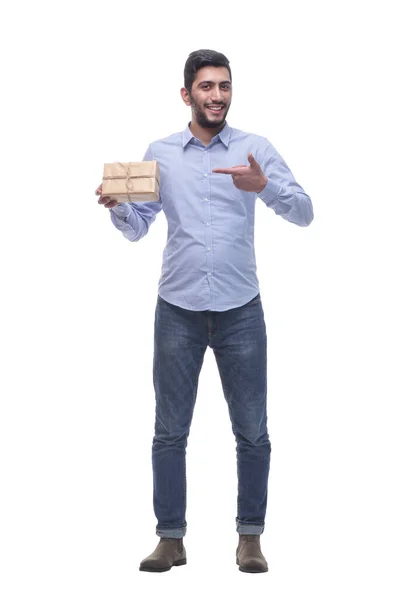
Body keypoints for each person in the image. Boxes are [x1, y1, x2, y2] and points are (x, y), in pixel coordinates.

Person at [95, 49, 313, 574]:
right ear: (186, 93)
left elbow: (305, 211)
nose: (217, 96)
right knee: (169, 430)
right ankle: (170, 538)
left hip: (242, 310)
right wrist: (119, 207)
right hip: (179, 309)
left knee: (253, 430)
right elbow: (138, 226)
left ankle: (250, 538)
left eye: (225, 86)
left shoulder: (256, 149)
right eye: (207, 86)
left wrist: (266, 188)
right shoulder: (161, 153)